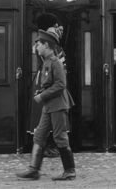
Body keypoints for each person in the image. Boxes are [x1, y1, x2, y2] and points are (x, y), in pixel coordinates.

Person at [16, 19, 76, 180]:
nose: (37, 47)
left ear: (47, 46)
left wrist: (42, 96)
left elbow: (61, 85)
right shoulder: (47, 63)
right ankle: (33, 169)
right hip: (49, 107)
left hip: (57, 105)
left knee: (60, 137)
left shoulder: (55, 63)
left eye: (39, 44)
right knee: (39, 135)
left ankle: (69, 171)